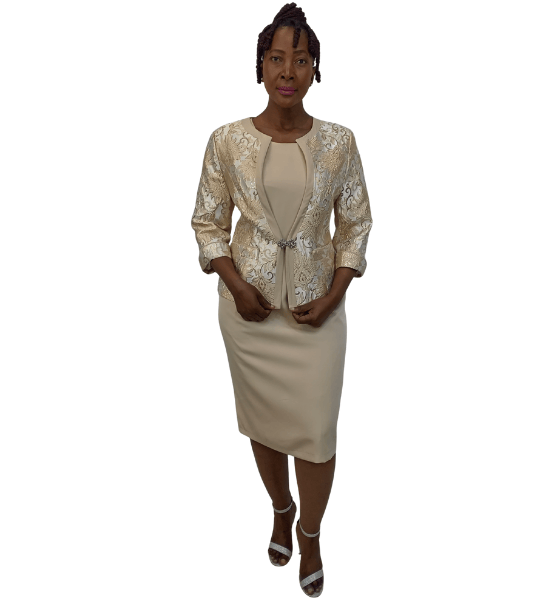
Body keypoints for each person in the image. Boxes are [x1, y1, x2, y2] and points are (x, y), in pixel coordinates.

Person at [191, 3, 373, 596]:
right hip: (249, 313)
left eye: (300, 59)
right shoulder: (226, 141)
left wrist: (334, 294)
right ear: (260, 67)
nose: (287, 71)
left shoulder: (340, 143)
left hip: (318, 311)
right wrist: (237, 285)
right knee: (265, 427)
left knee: (316, 432)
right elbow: (208, 223)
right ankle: (280, 508)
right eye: (276, 58)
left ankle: (311, 533)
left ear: (316, 67)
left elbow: (355, 225)